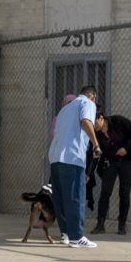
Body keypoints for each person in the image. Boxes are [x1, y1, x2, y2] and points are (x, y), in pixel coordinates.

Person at [48, 86, 102, 248]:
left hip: (56, 157)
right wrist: (95, 144)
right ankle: (77, 237)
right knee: (75, 197)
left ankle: (66, 233)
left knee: (61, 198)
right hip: (72, 157)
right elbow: (85, 121)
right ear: (92, 95)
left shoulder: (65, 109)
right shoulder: (87, 103)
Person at [91, 112, 131, 235]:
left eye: (94, 122)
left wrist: (126, 148)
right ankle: (100, 224)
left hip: (127, 160)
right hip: (110, 162)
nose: (92, 125)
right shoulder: (95, 133)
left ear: (101, 118)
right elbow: (96, 152)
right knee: (105, 191)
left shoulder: (118, 121)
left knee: (124, 193)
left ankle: (122, 224)